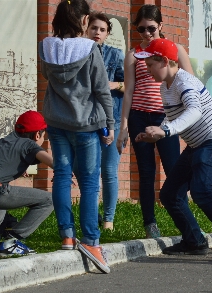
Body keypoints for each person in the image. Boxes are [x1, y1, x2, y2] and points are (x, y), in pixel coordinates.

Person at [134, 38, 212, 263]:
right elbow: (175, 117)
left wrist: (166, 131)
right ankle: (195, 242)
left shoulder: (184, 82)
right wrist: (156, 133)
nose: (147, 69)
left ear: (166, 61)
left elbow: (195, 111)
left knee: (201, 190)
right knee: (170, 194)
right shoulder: (165, 87)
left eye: (150, 64)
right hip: (198, 144)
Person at [39, 0, 114, 273]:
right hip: (86, 124)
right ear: (82, 20)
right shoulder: (89, 48)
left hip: (57, 122)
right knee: (90, 183)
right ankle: (91, 240)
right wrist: (111, 123)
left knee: (61, 175)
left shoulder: (46, 46)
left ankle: (67, 236)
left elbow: (46, 75)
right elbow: (101, 89)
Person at [116, 4, 193, 238]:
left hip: (166, 117)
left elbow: (190, 83)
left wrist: (187, 120)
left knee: (174, 169)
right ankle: (150, 224)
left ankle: (184, 221)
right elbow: (128, 91)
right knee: (146, 172)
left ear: (160, 25)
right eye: (141, 29)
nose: (147, 34)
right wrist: (123, 127)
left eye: (151, 28)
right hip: (140, 116)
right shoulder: (133, 54)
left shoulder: (176, 50)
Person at [0, 111, 53, 256]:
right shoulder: (30, 144)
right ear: (37, 135)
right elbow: (49, 161)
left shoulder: (1, 142)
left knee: (0, 187)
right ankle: (11, 241)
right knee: (49, 200)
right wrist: (63, 171)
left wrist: (8, 165)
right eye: (43, 135)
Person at [87, 12, 125, 230]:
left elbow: (129, 86)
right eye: (94, 28)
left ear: (107, 33)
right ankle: (92, 217)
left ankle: (108, 220)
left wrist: (113, 85)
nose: (97, 33)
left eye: (102, 30)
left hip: (113, 119)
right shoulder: (81, 52)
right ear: (87, 29)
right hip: (88, 120)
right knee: (89, 171)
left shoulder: (116, 55)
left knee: (109, 171)